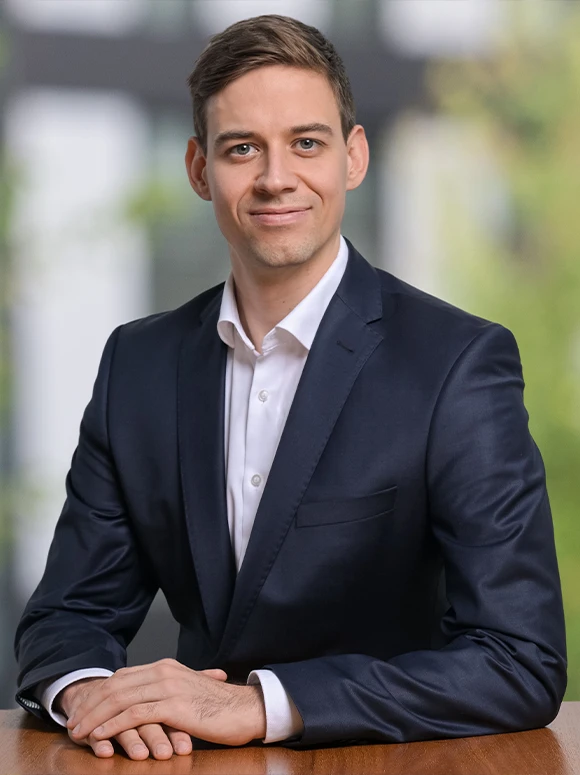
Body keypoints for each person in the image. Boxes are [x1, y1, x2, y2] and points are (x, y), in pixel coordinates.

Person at [14, 13, 566, 761]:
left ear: (354, 156)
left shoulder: (456, 364)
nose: (276, 177)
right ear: (199, 168)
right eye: (243, 148)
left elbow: (518, 658)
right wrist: (95, 695)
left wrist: (263, 704)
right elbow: (67, 615)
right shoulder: (137, 365)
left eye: (306, 142)